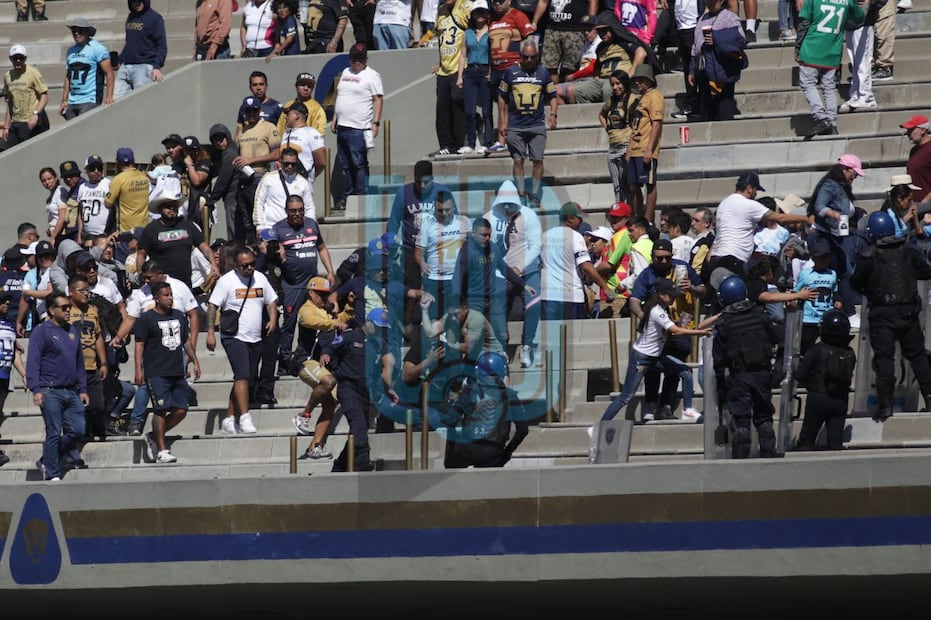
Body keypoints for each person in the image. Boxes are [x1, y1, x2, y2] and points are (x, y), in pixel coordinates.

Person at [851, 210, 931, 422]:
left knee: (884, 359)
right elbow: (926, 270)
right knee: (918, 357)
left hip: (882, 314)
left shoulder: (869, 255)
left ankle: (886, 405)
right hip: (908, 312)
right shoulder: (908, 250)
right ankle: (929, 398)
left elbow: (855, 282)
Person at [601, 278, 710, 424]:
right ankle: (601, 425)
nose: (674, 298)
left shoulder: (662, 310)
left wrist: (677, 323)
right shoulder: (656, 311)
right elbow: (675, 331)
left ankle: (688, 410)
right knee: (625, 397)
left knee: (686, 372)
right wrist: (700, 332)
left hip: (656, 357)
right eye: (671, 295)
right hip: (641, 358)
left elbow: (668, 327)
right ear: (662, 295)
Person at [706, 171, 811, 308]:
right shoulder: (748, 204)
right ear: (749, 188)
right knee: (742, 302)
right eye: (755, 190)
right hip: (733, 261)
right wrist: (807, 218)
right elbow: (780, 218)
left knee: (720, 303)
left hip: (716, 259)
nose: (756, 194)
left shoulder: (723, 204)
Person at [629, 238, 706, 421]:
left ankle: (666, 406)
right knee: (653, 368)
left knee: (675, 369)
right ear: (652, 257)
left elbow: (704, 290)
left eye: (667, 257)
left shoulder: (682, 268)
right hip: (658, 332)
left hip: (681, 326)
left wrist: (692, 288)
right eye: (659, 258)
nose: (664, 261)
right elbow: (634, 300)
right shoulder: (647, 274)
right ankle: (650, 405)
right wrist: (646, 319)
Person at [206, 247, 279, 434]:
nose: (249, 268)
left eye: (252, 264)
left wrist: (272, 319)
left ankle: (229, 418)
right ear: (236, 266)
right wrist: (210, 332)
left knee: (245, 377)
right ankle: (245, 417)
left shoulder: (260, 278)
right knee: (243, 376)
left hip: (255, 336)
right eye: (245, 265)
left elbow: (271, 301)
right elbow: (213, 306)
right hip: (234, 336)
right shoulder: (227, 281)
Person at [134, 281, 200, 463]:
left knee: (181, 410)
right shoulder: (147, 319)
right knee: (161, 409)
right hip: (156, 372)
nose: (170, 298)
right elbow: (139, 345)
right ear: (156, 297)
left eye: (171, 294)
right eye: (166, 295)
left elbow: (185, 340)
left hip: (177, 371)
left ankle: (154, 436)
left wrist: (194, 360)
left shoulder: (179, 316)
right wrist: (138, 369)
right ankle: (162, 450)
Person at [27, 291, 90, 481]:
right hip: (50, 389)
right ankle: (52, 472)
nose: (68, 310)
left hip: (71, 390)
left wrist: (83, 389)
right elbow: (33, 361)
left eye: (69, 307)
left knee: (78, 430)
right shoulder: (41, 331)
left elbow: (79, 363)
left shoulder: (72, 331)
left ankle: (47, 460)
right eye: (64, 308)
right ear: (52, 310)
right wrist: (36, 389)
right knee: (53, 432)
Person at [268, 195, 336, 368]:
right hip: (292, 285)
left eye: (300, 210)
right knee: (289, 323)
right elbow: (271, 256)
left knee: (313, 320)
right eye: (293, 211)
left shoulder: (311, 224)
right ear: (286, 211)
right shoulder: (279, 229)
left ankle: (304, 356)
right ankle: (284, 361)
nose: (297, 214)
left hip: (312, 284)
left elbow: (321, 248)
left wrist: (330, 271)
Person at [482, 179, 542, 367]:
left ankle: (527, 344)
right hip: (501, 271)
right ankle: (501, 348)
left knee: (534, 303)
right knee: (496, 308)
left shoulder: (529, 216)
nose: (508, 209)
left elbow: (536, 245)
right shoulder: (489, 218)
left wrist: (519, 267)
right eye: (504, 205)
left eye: (511, 204)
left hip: (526, 268)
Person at [443, 350, 529, 468]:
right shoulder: (510, 396)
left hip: (466, 450)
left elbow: (450, 420)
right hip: (492, 452)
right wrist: (507, 453)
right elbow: (523, 430)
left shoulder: (469, 391)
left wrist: (450, 454)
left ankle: (451, 467)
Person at [498, 37, 557, 206]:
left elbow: (553, 96)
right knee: (518, 160)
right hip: (515, 125)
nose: (529, 60)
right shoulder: (510, 73)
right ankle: (521, 193)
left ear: (537, 56)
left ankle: (535, 193)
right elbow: (502, 97)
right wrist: (503, 121)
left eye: (532, 57)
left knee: (538, 160)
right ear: (520, 56)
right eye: (526, 57)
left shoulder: (543, 73)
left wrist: (553, 114)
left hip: (536, 124)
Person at [796, 0, 867, 137]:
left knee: (807, 83)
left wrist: (798, 46)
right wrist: (845, 23)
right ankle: (832, 123)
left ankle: (821, 118)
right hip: (833, 48)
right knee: (829, 86)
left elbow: (804, 23)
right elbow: (859, 18)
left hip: (812, 46)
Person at [808, 153, 865, 323]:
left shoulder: (842, 188)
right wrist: (833, 214)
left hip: (834, 237)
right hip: (822, 236)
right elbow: (819, 206)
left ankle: (844, 310)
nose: (854, 177)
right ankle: (847, 312)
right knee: (839, 273)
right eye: (854, 173)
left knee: (843, 273)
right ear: (844, 170)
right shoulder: (830, 185)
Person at [794, 309, 856, 451]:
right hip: (841, 399)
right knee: (835, 442)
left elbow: (800, 374)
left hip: (818, 396)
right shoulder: (850, 353)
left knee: (807, 440)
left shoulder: (817, 350)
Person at [331, 43, 383, 211]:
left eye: (360, 58)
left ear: (366, 59)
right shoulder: (345, 72)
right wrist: (335, 117)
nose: (357, 61)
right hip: (343, 126)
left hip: (359, 127)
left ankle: (362, 197)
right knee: (345, 166)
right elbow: (340, 95)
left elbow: (378, 100)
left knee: (359, 164)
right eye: (354, 58)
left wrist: (375, 123)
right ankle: (348, 197)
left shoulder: (372, 75)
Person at [137, 191, 218, 290]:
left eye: (174, 206)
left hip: (185, 284)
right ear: (160, 209)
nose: (172, 208)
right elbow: (141, 253)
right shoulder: (151, 229)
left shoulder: (188, 226)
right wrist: (140, 273)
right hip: (160, 285)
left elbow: (204, 247)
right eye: (168, 206)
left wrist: (213, 265)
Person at [486, 0, 535, 153]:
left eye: (500, 1)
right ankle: (502, 141)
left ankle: (521, 138)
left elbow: (529, 39)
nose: (497, 4)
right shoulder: (490, 18)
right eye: (493, 1)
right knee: (502, 106)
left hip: (513, 67)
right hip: (496, 69)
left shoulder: (517, 15)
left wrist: (526, 63)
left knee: (516, 104)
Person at [688, 0, 747, 122]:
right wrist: (692, 70)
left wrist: (716, 38)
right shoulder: (702, 19)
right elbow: (695, 46)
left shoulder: (730, 17)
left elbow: (740, 40)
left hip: (723, 70)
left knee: (724, 109)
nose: (710, 2)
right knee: (706, 111)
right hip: (704, 70)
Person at [416, 191, 471, 322]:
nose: (444, 213)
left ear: (454, 207)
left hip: (458, 278)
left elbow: (472, 246)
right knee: (433, 317)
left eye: (448, 209)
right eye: (440, 210)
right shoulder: (427, 224)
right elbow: (418, 253)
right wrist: (422, 263)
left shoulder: (464, 221)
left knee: (458, 316)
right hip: (435, 278)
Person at [235, 96, 282, 243]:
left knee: (259, 217)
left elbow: (277, 154)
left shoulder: (268, 127)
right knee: (246, 220)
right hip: (243, 178)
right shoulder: (242, 131)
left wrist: (251, 160)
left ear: (260, 110)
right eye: (248, 111)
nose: (251, 114)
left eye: (254, 111)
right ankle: (252, 248)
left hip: (259, 175)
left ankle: (265, 246)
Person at [626, 63, 663, 221]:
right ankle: (638, 217)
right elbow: (634, 127)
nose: (638, 83)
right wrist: (629, 149)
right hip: (635, 147)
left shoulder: (655, 96)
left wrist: (649, 149)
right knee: (633, 185)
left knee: (649, 184)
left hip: (646, 148)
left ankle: (647, 220)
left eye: (641, 79)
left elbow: (656, 123)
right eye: (636, 80)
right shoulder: (640, 99)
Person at [60, 18, 115, 120]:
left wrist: (109, 97)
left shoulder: (97, 48)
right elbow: (68, 76)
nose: (77, 34)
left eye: (80, 31)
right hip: (72, 100)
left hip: (90, 99)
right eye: (74, 31)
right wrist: (64, 100)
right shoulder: (70, 51)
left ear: (87, 32)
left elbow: (109, 73)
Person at [432, 0, 467, 157]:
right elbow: (441, 38)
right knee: (442, 108)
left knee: (456, 101)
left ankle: (458, 144)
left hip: (459, 66)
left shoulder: (465, 6)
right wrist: (440, 62)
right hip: (444, 69)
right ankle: (445, 145)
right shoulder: (441, 11)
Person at [457, 1, 493, 154]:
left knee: (487, 110)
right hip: (470, 72)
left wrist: (490, 72)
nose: (480, 15)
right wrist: (460, 76)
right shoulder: (467, 33)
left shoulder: (491, 32)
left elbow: (492, 54)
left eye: (483, 12)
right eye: (477, 12)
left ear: (487, 14)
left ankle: (488, 142)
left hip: (485, 71)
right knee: (469, 111)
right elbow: (463, 55)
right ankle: (471, 143)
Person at [253, 148, 315, 236]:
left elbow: (309, 207)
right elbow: (259, 202)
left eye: (293, 164)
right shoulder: (268, 179)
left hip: (294, 230)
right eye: (286, 164)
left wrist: (310, 225)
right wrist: (259, 226)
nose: (289, 166)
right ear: (280, 162)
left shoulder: (303, 183)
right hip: (271, 228)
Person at [114, 0, 167, 100]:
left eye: (139, 1)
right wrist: (120, 59)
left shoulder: (155, 18)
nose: (136, 4)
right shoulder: (131, 17)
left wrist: (157, 66)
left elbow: (161, 46)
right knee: (116, 101)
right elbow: (130, 43)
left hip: (143, 66)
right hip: (126, 66)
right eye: (133, 1)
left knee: (140, 101)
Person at [2, 45, 49, 150]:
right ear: (10, 59)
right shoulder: (8, 76)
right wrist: (6, 126)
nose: (18, 61)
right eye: (15, 58)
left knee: (28, 151)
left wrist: (35, 114)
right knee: (6, 150)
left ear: (25, 58)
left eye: (21, 58)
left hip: (29, 121)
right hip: (15, 121)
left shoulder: (33, 73)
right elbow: (10, 102)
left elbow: (44, 96)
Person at [599, 70, 632, 203]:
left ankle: (629, 209)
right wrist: (608, 129)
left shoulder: (632, 100)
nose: (615, 87)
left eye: (618, 83)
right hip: (613, 147)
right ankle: (619, 207)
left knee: (626, 183)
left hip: (625, 145)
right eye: (612, 84)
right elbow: (602, 115)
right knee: (617, 185)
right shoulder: (611, 101)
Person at [105, 147, 152, 237]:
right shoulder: (144, 177)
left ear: (117, 162)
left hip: (126, 230)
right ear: (133, 160)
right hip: (144, 228)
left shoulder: (118, 179)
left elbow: (108, 204)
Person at [279, 102, 327, 180]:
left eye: (288, 114)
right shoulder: (286, 134)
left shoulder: (312, 133)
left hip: (303, 180)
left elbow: (321, 162)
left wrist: (310, 176)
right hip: (285, 181)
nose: (286, 118)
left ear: (296, 115)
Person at [277, 72, 328, 137]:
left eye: (309, 86)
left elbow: (320, 134)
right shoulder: (288, 105)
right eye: (303, 85)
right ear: (296, 86)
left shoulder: (318, 109)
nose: (306, 88)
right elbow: (279, 128)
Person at [236, 71, 284, 137]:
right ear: (250, 88)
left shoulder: (276, 107)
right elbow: (238, 132)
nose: (258, 88)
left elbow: (283, 131)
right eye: (254, 85)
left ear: (266, 86)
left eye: (261, 84)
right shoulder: (244, 107)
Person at [76, 155, 111, 246]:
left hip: (104, 234)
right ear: (86, 170)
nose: (96, 171)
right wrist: (79, 234)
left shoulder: (108, 185)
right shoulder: (82, 187)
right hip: (87, 234)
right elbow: (80, 213)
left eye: (99, 168)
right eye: (92, 168)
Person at [902, 114, 931, 204]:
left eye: (911, 130)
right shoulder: (914, 151)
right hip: (915, 204)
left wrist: (925, 202)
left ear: (923, 130)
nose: (908, 133)